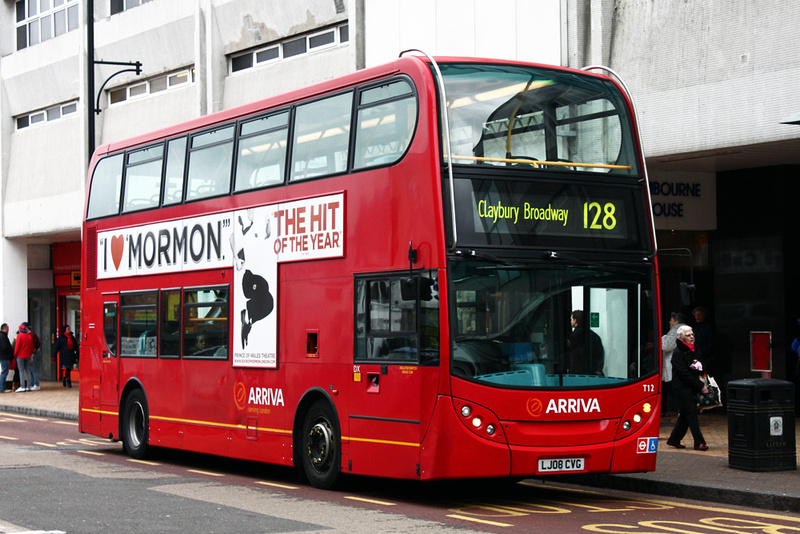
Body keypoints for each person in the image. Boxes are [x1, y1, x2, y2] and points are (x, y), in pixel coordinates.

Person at [667, 325, 709, 451]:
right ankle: (699, 442)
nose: (692, 337)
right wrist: (700, 386)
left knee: (686, 414)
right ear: (681, 338)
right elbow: (683, 373)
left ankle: (674, 439)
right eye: (688, 335)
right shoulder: (678, 353)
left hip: (692, 386)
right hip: (682, 388)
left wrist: (702, 377)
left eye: (692, 334)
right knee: (691, 412)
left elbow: (700, 366)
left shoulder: (695, 349)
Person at [661, 312, 686, 416]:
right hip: (682, 364)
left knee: (676, 391)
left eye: (671, 320)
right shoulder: (686, 330)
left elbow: (666, 346)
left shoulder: (675, 330)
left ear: (676, 321)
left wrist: (662, 338)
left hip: (673, 365)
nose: (669, 322)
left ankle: (683, 413)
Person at [566, 310, 605, 375]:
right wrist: (598, 369)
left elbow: (574, 357)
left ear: (575, 321)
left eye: (571, 319)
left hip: (578, 373)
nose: (570, 322)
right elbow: (600, 355)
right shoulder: (595, 336)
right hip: (593, 372)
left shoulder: (574, 336)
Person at [13, 323, 36, 392]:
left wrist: (15, 354)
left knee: (21, 371)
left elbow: (17, 347)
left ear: (20, 330)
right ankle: (28, 386)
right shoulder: (29, 336)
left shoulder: (19, 336)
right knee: (28, 370)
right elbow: (32, 347)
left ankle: (22, 386)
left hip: (20, 356)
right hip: (28, 355)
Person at [22, 322, 41, 391]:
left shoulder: (31, 335)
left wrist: (33, 351)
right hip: (29, 354)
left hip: (31, 354)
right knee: (30, 369)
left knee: (33, 369)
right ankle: (33, 383)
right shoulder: (30, 335)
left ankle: (36, 384)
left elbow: (37, 344)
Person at [0, 323, 14, 392]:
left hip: (4, 356)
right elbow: (5, 347)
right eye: (7, 328)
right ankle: (2, 388)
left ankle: (2, 387)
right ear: (4, 329)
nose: (8, 330)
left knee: (4, 372)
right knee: (4, 372)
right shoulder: (2, 336)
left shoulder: (3, 336)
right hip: (4, 357)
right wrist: (10, 352)